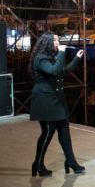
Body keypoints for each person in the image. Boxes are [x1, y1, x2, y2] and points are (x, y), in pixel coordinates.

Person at [30, 33, 85, 177]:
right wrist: (61, 51)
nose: (57, 42)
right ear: (47, 43)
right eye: (54, 40)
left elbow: (63, 71)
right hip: (46, 100)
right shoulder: (40, 58)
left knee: (64, 130)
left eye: (57, 40)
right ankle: (37, 164)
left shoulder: (53, 58)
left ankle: (71, 162)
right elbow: (54, 71)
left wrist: (77, 58)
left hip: (56, 100)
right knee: (48, 132)